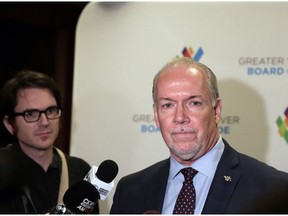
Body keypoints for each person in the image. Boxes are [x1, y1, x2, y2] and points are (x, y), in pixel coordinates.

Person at [110, 57, 288, 214]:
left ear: (216, 110)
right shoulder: (130, 190)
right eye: (168, 105)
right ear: (156, 116)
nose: (180, 118)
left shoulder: (274, 190)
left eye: (194, 103)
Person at [0, 70, 99, 214]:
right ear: (9, 124)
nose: (45, 122)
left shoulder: (80, 170)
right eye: (31, 114)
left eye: (51, 111)